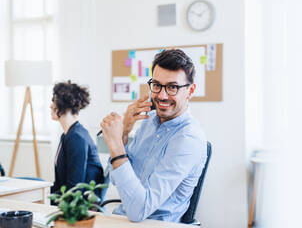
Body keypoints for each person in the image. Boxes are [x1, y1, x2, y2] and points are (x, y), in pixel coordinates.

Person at [100, 49, 207, 223]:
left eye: (172, 87)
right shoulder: (149, 120)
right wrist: (125, 131)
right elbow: (115, 178)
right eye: (157, 85)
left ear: (190, 90)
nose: (162, 96)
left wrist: (116, 145)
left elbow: (139, 211)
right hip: (122, 218)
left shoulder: (188, 139)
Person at [51, 81, 104, 197]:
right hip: (69, 198)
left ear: (65, 106)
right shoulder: (67, 134)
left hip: (80, 205)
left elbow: (75, 187)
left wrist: (47, 199)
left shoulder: (76, 137)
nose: (51, 106)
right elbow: (60, 184)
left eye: (54, 101)